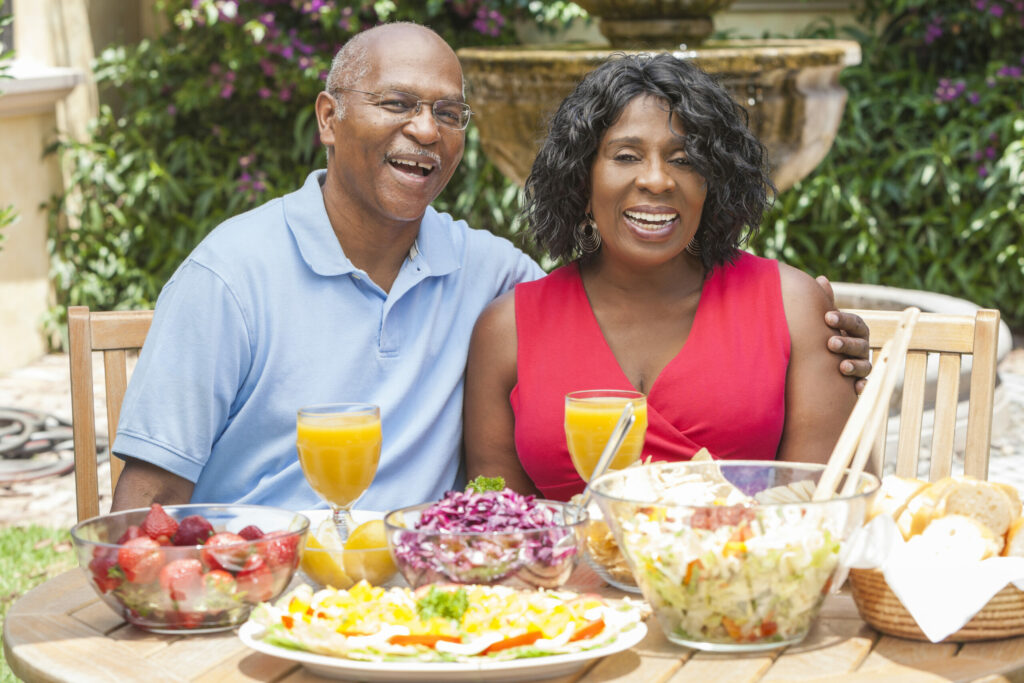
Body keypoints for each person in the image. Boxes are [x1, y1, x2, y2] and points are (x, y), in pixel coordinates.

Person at [111, 24, 869, 512]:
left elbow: (816, 508)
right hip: (260, 589)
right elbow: (142, 503)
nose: (424, 129)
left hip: (436, 594)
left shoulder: (486, 274)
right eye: (397, 102)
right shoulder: (230, 276)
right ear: (328, 118)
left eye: (447, 112)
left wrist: (831, 335)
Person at [464, 53, 859, 501]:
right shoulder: (507, 330)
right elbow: (499, 527)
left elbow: (826, 506)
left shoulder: (792, 306)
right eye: (627, 156)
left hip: (749, 566)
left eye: (685, 159)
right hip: (565, 571)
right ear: (582, 178)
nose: (657, 179)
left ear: (713, 181)